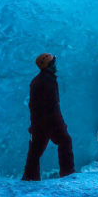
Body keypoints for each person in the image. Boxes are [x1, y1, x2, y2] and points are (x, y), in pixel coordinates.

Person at [21, 52, 75, 180]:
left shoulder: (37, 80)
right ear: (47, 65)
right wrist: (60, 124)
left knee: (36, 151)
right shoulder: (48, 81)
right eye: (53, 63)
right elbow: (53, 106)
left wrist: (34, 124)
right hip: (49, 121)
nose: (55, 65)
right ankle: (67, 173)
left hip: (39, 122)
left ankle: (29, 177)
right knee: (65, 141)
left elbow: (33, 105)